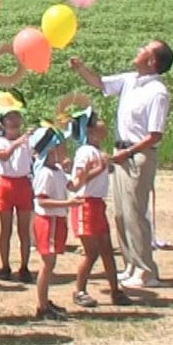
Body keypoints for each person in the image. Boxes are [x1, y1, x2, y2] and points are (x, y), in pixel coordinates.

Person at [69, 39, 173, 289]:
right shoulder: (130, 80)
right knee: (120, 213)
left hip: (138, 154)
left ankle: (147, 270)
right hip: (121, 152)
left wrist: (127, 154)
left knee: (135, 212)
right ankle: (131, 265)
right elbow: (100, 83)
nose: (138, 49)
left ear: (152, 61)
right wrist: (80, 68)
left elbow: (155, 135)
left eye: (144, 49)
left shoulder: (157, 91)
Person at [66, 109, 131, 309]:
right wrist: (100, 168)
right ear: (90, 130)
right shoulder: (84, 152)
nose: (103, 123)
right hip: (85, 204)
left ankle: (115, 290)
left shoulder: (96, 150)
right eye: (97, 121)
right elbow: (78, 180)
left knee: (106, 249)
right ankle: (79, 290)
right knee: (91, 252)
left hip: (97, 204)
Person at [30, 125, 81, 321]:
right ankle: (42, 306)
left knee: (51, 263)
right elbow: (41, 200)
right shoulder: (44, 173)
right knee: (47, 263)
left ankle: (45, 301)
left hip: (57, 219)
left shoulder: (57, 170)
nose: (64, 149)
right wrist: (68, 203)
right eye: (61, 145)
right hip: (47, 220)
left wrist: (86, 173)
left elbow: (73, 184)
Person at [0, 92, 34, 283]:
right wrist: (18, 142)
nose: (14, 121)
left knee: (24, 229)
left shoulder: (27, 141)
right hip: (6, 184)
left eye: (17, 117)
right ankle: (5, 265)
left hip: (23, 183)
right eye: (9, 118)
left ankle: (24, 266)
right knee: (5, 229)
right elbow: (4, 155)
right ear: (2, 122)